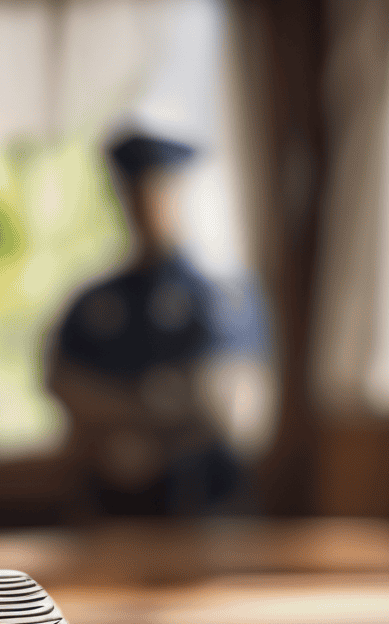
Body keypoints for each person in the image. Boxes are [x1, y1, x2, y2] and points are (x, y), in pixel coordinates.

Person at [49, 131, 252, 516]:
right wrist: (152, 405)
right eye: (134, 194)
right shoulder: (94, 303)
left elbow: (224, 405)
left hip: (205, 497)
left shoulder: (220, 297)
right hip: (111, 499)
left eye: (158, 191)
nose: (146, 207)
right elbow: (64, 384)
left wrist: (123, 411)